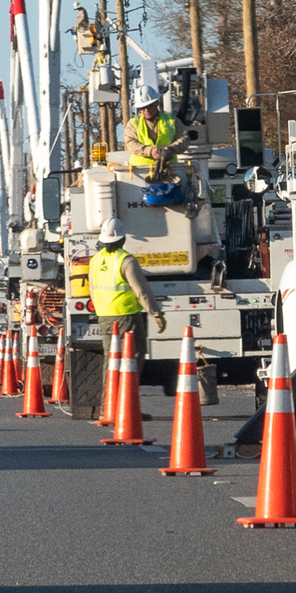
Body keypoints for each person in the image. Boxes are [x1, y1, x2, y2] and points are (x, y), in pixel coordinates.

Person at [89, 217, 167, 404]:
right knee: (131, 361)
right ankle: (127, 408)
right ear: (122, 239)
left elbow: (92, 290)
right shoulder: (125, 260)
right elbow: (141, 291)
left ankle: (108, 407)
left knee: (111, 361)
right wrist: (156, 313)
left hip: (105, 317)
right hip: (127, 318)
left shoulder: (95, 260)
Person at [126, 84, 186, 182]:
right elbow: (131, 144)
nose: (146, 110)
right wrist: (150, 151)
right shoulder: (133, 124)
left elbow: (184, 138)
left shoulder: (171, 120)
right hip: (140, 174)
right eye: (142, 108)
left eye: (149, 106)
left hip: (169, 171)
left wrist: (172, 149)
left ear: (156, 103)